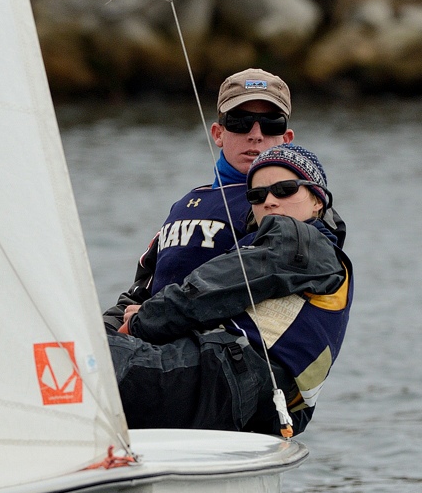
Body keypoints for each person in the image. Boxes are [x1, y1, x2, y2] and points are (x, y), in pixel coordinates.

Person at [107, 144, 353, 436]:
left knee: (84, 357)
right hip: (255, 405)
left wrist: (142, 321)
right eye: (257, 195)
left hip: (225, 380)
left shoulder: (300, 240)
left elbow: (210, 289)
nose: (270, 201)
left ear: (317, 201)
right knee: (86, 348)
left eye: (285, 190)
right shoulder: (293, 253)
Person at [103, 68, 346, 332]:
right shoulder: (184, 205)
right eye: (240, 122)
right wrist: (98, 334)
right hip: (145, 337)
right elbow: (138, 294)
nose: (255, 134)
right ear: (218, 133)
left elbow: (307, 263)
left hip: (214, 347)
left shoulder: (294, 208)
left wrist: (156, 315)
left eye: (271, 124)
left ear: (286, 139)